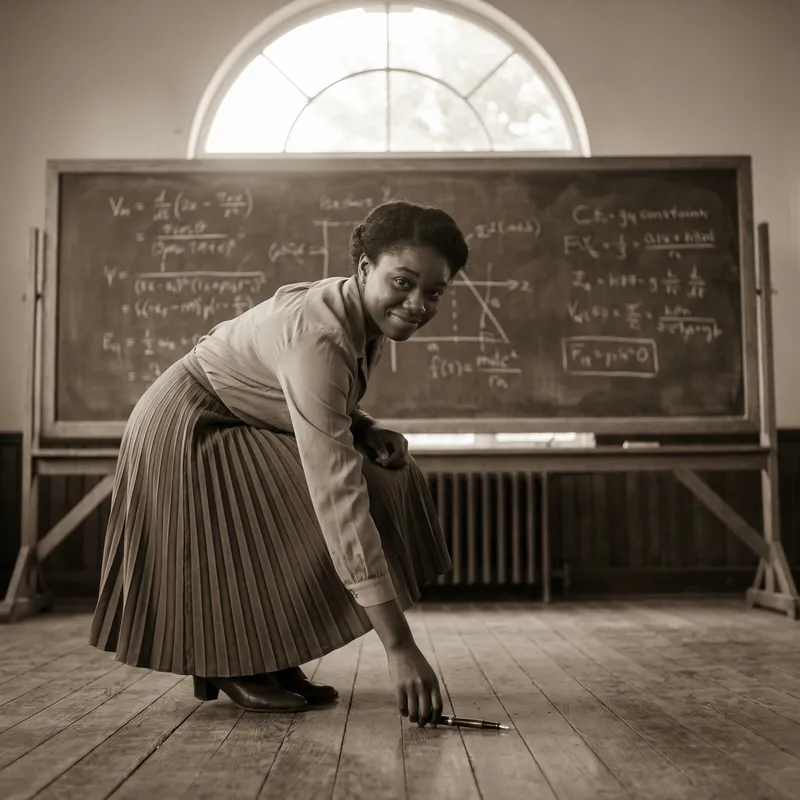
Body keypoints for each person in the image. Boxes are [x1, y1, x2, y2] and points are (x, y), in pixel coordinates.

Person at [89, 200, 469, 728]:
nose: (417, 304)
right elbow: (337, 493)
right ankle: (230, 661)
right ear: (364, 269)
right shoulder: (321, 335)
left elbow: (310, 396)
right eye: (402, 282)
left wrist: (365, 426)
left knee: (388, 480)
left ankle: (269, 653)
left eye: (434, 292)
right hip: (188, 428)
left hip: (236, 417)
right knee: (331, 503)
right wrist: (399, 646)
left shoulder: (359, 313)